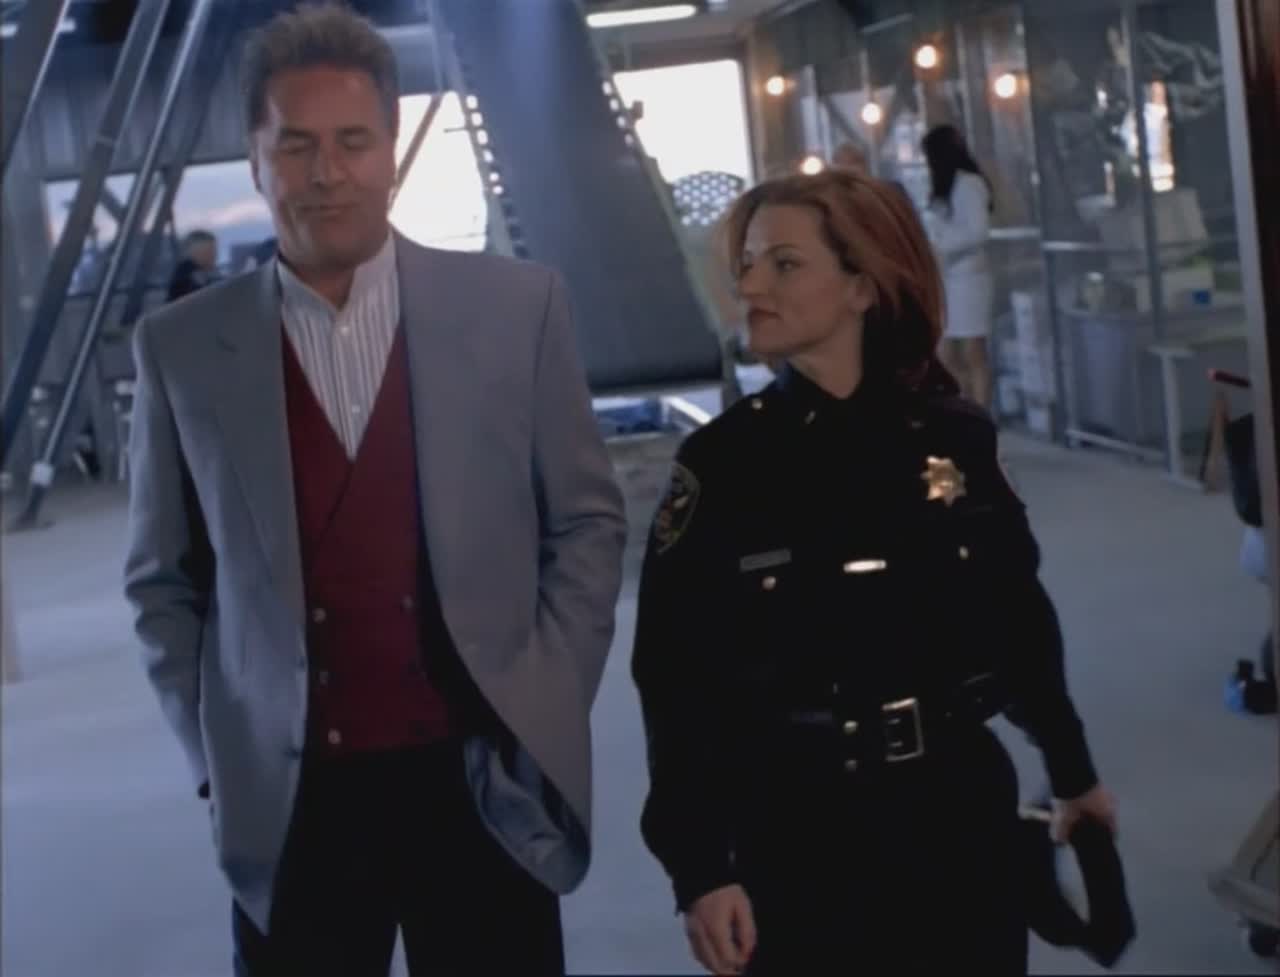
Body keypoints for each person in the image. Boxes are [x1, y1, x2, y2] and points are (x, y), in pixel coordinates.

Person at [123, 5, 627, 975]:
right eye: (296, 144)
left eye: (353, 141)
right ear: (255, 158)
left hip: (481, 782)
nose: (327, 171)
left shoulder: (517, 309)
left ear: (391, 150)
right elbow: (162, 580)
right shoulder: (181, 349)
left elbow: (585, 523)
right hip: (296, 801)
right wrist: (217, 755)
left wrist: (547, 688)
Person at [631, 169, 1116, 975]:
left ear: (861, 286)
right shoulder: (723, 465)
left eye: (785, 264)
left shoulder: (954, 440)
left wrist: (1074, 772)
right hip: (798, 830)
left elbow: (1017, 620)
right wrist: (701, 867)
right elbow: (675, 676)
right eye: (747, 264)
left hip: (957, 813)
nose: (751, 286)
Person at [922, 123, 995, 409]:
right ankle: (965, 410)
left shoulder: (969, 184)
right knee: (947, 353)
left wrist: (943, 246)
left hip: (969, 277)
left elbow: (979, 231)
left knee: (973, 351)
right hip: (948, 279)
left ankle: (981, 415)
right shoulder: (942, 188)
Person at [166, 229, 221, 302]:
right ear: (195, 252)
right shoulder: (187, 275)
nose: (214, 255)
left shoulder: (208, 274)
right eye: (209, 251)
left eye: (214, 251)